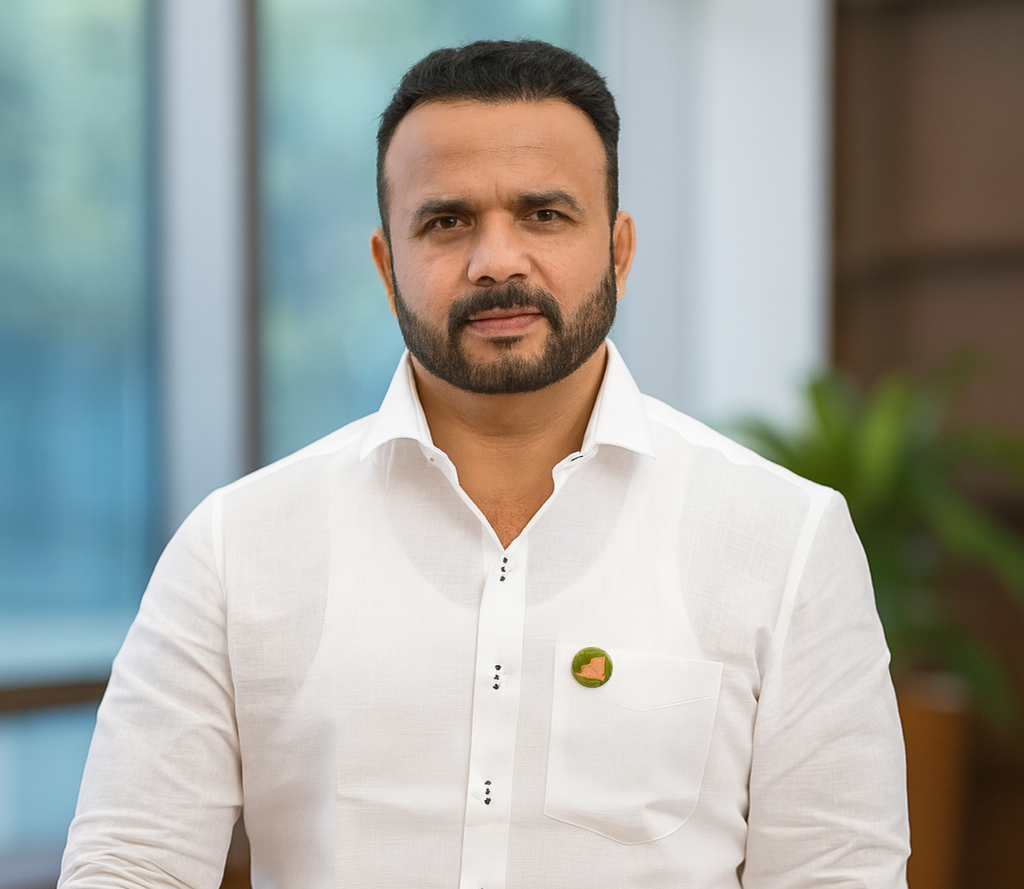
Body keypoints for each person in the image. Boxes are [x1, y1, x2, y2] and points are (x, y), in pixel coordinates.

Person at [60, 39, 909, 888]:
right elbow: (128, 863)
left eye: (544, 214)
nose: (497, 260)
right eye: (447, 222)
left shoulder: (785, 541)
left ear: (618, 252)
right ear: (387, 266)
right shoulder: (234, 547)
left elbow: (840, 874)